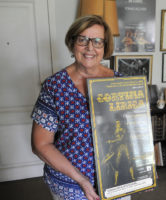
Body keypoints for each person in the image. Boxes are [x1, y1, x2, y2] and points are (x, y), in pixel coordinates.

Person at [31, 15, 122, 200]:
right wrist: (81, 180)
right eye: (83, 40)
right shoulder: (54, 86)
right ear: (72, 43)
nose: (90, 48)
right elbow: (40, 144)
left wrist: (143, 167)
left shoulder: (122, 82)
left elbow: (135, 132)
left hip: (116, 179)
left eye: (97, 41)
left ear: (105, 46)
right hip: (71, 185)